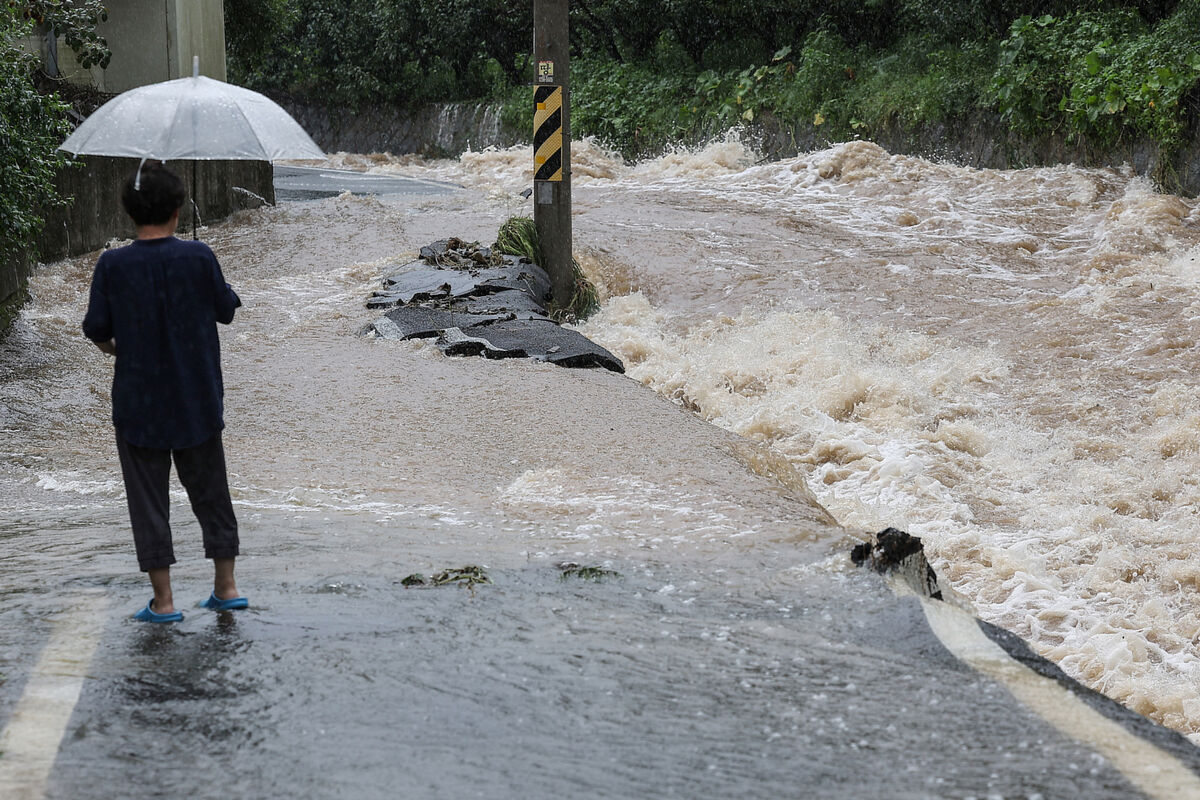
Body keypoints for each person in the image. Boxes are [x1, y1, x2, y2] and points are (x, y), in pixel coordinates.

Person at [82, 160, 248, 623]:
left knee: (148, 501)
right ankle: (227, 586)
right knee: (211, 492)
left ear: (129, 212)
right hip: (197, 399)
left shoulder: (112, 264)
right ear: (177, 210)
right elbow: (226, 310)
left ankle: (165, 601)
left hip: (139, 404)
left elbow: (97, 329)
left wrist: (120, 350)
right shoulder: (199, 256)